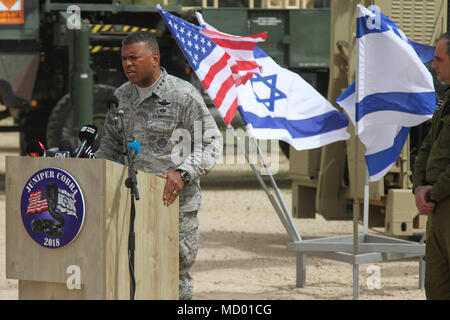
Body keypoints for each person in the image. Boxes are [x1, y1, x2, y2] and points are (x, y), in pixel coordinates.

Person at [95, 31, 223, 300]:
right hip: (131, 207)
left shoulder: (182, 95)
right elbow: (111, 145)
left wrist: (182, 173)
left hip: (173, 206)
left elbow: (211, 143)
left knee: (174, 278)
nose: (128, 64)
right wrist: (93, 173)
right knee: (133, 274)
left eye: (134, 58)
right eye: (123, 59)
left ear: (154, 58)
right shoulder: (121, 96)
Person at [413, 32, 450, 300]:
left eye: (439, 59)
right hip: (438, 208)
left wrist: (433, 193)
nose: (434, 65)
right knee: (436, 286)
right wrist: (418, 188)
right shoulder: (445, 102)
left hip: (443, 200)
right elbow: (427, 146)